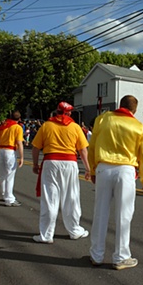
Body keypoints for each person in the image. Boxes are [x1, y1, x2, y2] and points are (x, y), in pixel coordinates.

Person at [88, 95, 143, 270]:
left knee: (100, 211)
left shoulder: (102, 119)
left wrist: (93, 170)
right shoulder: (138, 126)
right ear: (135, 110)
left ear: (120, 105)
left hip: (103, 167)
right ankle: (121, 257)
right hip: (125, 169)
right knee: (124, 214)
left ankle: (96, 255)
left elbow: (92, 146)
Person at [31, 101, 90, 243]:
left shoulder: (46, 125)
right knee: (71, 197)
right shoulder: (75, 127)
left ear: (57, 111)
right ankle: (74, 230)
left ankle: (46, 235)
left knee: (50, 199)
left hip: (50, 162)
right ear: (69, 113)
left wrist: (35, 164)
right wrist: (88, 168)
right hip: (70, 163)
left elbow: (35, 147)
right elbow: (82, 150)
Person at [0, 110, 24, 206]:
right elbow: (19, 143)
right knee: (10, 175)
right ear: (19, 119)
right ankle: (9, 199)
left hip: (1, 150)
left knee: (3, 174)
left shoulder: (3, 126)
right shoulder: (17, 127)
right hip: (10, 151)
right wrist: (22, 157)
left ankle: (5, 194)